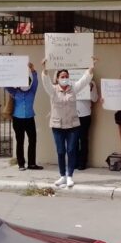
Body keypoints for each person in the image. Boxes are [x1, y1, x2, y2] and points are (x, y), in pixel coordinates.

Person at [41, 57, 95, 188]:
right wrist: (44, 69)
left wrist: (91, 67)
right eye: (62, 76)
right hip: (57, 125)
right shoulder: (53, 90)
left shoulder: (73, 88)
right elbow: (46, 82)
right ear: (58, 78)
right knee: (60, 151)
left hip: (72, 126)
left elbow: (84, 80)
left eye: (66, 76)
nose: (64, 78)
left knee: (71, 150)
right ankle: (62, 176)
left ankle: (70, 175)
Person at [4, 62, 43, 171]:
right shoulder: (14, 91)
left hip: (30, 118)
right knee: (19, 141)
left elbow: (36, 82)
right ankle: (21, 164)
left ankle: (32, 164)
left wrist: (32, 69)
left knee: (33, 140)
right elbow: (5, 85)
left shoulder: (32, 91)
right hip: (18, 119)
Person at [75, 79, 99, 170]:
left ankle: (82, 163)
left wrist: (91, 89)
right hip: (73, 115)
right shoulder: (71, 81)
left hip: (85, 115)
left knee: (83, 139)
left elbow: (95, 99)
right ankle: (74, 162)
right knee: (73, 140)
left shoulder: (91, 83)